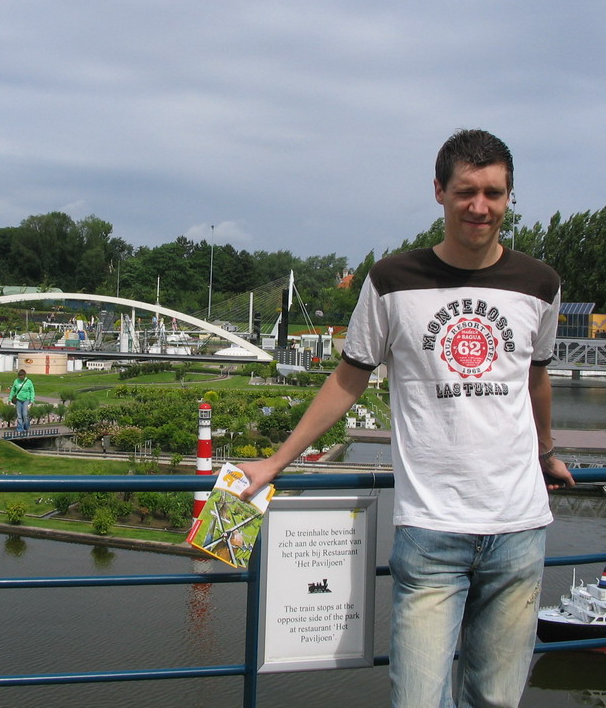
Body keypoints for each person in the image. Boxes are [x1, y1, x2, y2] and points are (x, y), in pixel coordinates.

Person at [240, 129, 575, 708]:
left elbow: (536, 379)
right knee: (418, 700)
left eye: (494, 193)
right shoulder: (392, 281)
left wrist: (547, 453)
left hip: (520, 527)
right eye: (467, 191)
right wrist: (276, 461)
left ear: (509, 197)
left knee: (496, 700)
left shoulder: (539, 284)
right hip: (431, 530)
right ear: (439, 192)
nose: (480, 207)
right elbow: (349, 378)